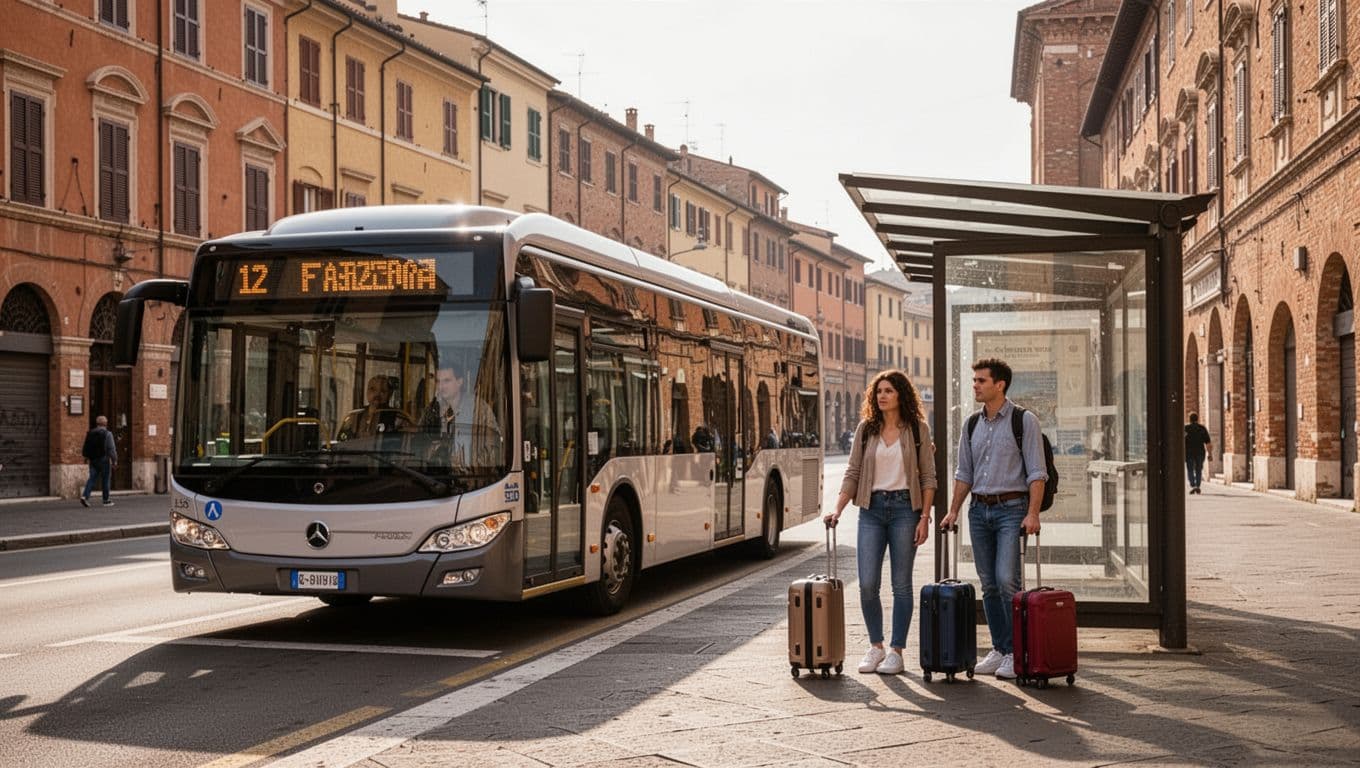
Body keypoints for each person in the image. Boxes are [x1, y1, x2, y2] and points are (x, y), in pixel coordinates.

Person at [824, 370, 937, 675]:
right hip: (871, 511)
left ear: (901, 394)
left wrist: (924, 518)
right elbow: (852, 472)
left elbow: (928, 477)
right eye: (878, 391)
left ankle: (896, 651)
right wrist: (837, 509)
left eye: (888, 390)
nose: (882, 396)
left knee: (901, 583)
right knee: (867, 583)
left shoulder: (917, 429)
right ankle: (876, 646)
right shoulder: (866, 428)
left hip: (904, 510)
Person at [941, 358, 1047, 680]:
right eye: (974, 380)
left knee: (1006, 581)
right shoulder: (971, 424)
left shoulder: (1024, 421)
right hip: (978, 510)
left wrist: (1032, 513)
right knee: (988, 585)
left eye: (981, 381)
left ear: (999, 385)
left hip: (1011, 509)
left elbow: (1037, 473)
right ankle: (1001, 649)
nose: (975, 385)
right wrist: (953, 509)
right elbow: (964, 473)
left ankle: (1016, 652)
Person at [419, 363, 499, 466]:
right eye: (438, 381)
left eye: (447, 381)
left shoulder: (478, 409)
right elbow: (419, 440)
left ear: (459, 382)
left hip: (472, 475)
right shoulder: (432, 410)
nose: (441, 386)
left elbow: (493, 444)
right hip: (435, 476)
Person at [336, 375, 411, 442]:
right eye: (372, 389)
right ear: (367, 391)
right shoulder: (353, 416)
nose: (377, 394)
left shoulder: (398, 417)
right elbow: (341, 443)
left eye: (383, 391)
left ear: (390, 394)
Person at [80, 415, 117, 507]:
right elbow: (111, 449)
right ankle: (106, 500)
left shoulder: (90, 433)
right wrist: (114, 460)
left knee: (92, 478)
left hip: (93, 459)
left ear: (97, 423)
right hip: (104, 459)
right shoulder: (108, 434)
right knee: (106, 479)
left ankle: (85, 496)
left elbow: (87, 446)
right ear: (105, 423)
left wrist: (86, 457)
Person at [1185, 412, 1212, 494]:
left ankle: (1193, 485)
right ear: (1197, 419)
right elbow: (1208, 443)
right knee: (1198, 469)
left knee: (1190, 469)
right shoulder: (1202, 428)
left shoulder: (1186, 428)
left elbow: (1180, 441)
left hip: (1189, 453)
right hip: (1200, 452)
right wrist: (1210, 454)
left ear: (1189, 419)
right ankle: (1197, 485)